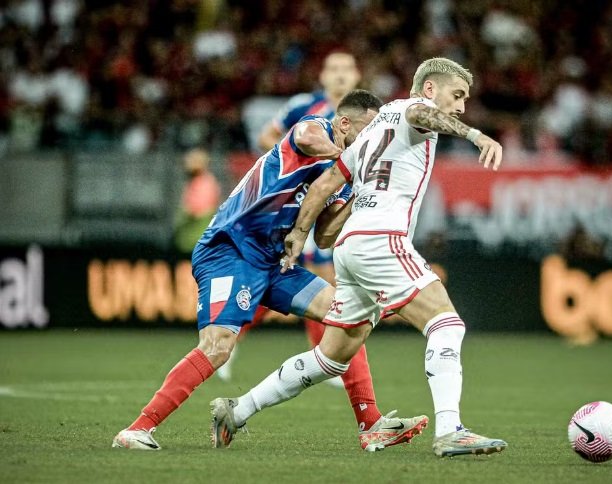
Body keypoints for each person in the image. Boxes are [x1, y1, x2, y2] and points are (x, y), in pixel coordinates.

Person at [211, 58, 508, 457]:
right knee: (447, 324)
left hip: (350, 246)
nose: (461, 107)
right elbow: (421, 111)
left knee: (331, 356)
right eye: (457, 96)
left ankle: (236, 410)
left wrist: (300, 235)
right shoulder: (410, 110)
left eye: (466, 101)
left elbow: (327, 184)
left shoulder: (374, 126)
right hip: (382, 240)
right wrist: (475, 136)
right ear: (431, 89)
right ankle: (451, 430)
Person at [112, 89, 428, 452]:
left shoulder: (343, 178)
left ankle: (370, 424)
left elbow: (323, 237)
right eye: (368, 131)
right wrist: (346, 159)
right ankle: (137, 429)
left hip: (276, 261)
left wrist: (359, 195)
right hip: (230, 250)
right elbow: (305, 137)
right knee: (217, 347)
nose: (373, 141)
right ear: (343, 123)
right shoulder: (315, 129)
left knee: (347, 318)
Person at [226, 51, 361, 387]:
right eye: (333, 68)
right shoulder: (305, 108)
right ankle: (229, 340)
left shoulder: (365, 114)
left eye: (347, 69)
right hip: (298, 203)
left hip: (332, 203)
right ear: (323, 76)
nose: (340, 75)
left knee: (318, 278)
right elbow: (266, 137)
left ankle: (323, 358)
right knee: (298, 277)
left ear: (357, 76)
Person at [173, 148, 221, 254]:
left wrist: (185, 214)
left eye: (192, 160)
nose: (187, 163)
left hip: (196, 241)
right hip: (188, 241)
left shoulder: (205, 183)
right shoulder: (194, 181)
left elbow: (198, 211)